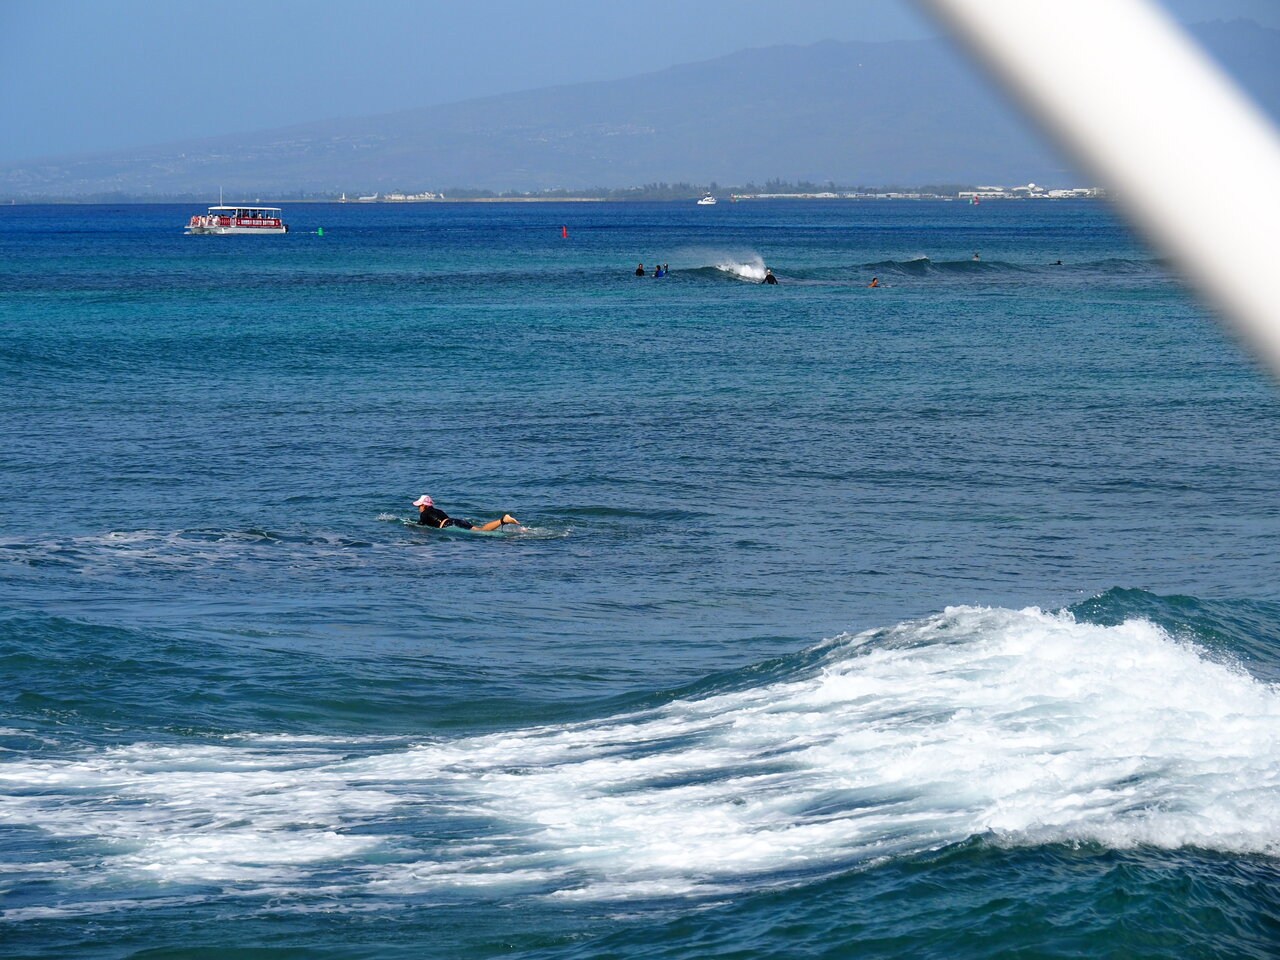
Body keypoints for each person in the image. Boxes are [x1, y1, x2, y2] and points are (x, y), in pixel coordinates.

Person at [413, 494, 518, 532]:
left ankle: (503, 520)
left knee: (482, 531)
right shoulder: (438, 511)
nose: (418, 508)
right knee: (480, 529)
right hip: (455, 521)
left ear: (424, 505)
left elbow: (420, 526)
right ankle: (510, 525)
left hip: (449, 524)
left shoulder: (424, 513)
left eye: (419, 505)